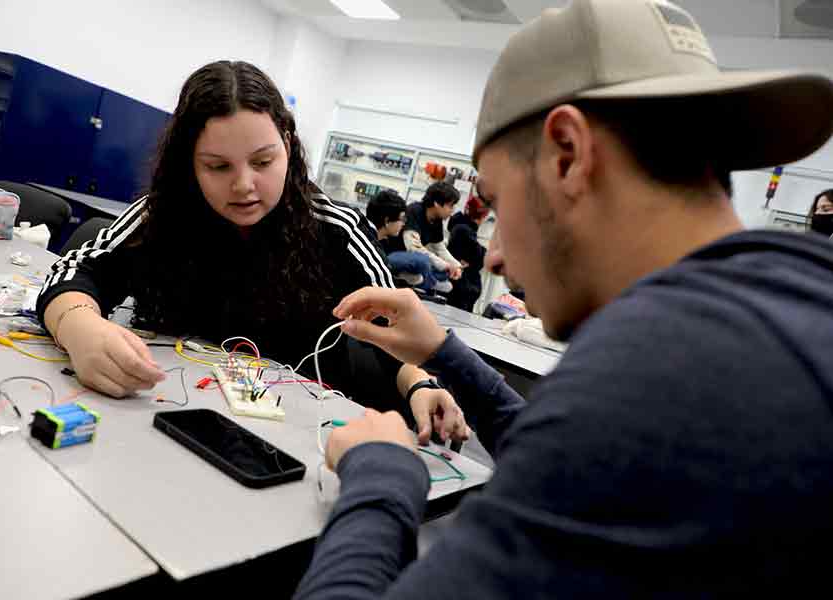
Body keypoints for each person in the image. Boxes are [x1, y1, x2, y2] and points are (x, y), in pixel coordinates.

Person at [294, 0, 833, 597]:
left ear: (568, 156)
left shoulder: (661, 379)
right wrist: (444, 352)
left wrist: (381, 471)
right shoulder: (787, 308)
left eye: (497, 203)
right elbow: (577, 456)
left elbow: (602, 440)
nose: (494, 256)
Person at [37, 61, 468, 433]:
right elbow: (74, 271)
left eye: (263, 162)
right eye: (218, 166)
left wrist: (421, 385)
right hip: (160, 413)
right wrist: (79, 328)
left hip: (286, 433)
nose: (244, 186)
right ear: (188, 163)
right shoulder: (161, 215)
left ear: (287, 144)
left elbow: (397, 331)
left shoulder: (336, 230)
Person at [366, 189, 448, 297]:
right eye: (402, 219)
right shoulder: (369, 244)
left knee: (440, 271)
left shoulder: (383, 240)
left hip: (392, 265)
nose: (404, 223)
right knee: (422, 260)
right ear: (387, 221)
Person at [400, 182, 463, 294]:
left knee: (445, 273)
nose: (452, 211)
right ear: (437, 204)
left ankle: (427, 280)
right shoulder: (414, 211)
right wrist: (446, 265)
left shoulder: (437, 220)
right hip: (399, 256)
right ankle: (426, 281)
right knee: (423, 261)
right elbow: (414, 248)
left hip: (414, 262)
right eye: (450, 206)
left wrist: (456, 266)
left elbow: (439, 248)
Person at [445, 194, 489, 311]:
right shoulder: (464, 230)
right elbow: (480, 258)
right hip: (462, 288)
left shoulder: (459, 227)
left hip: (458, 283)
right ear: (484, 216)